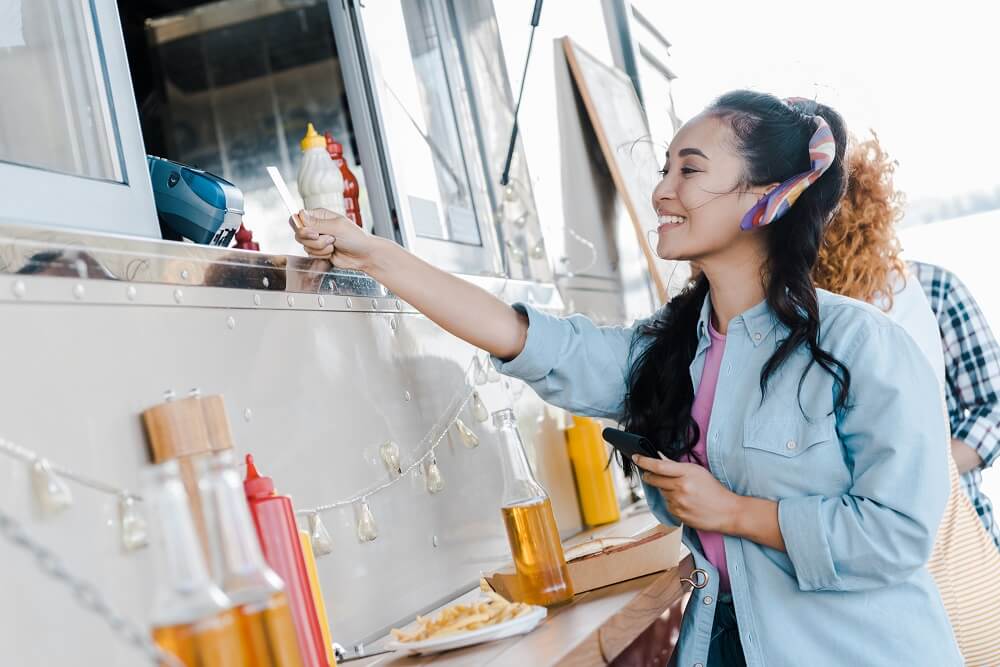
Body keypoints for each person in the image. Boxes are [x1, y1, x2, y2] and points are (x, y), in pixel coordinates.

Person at [293, 91, 961, 666]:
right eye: (665, 167)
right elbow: (524, 336)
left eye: (689, 170)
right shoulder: (670, 350)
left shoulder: (861, 345)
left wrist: (732, 512)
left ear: (767, 197)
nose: (662, 189)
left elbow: (899, 533)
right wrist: (376, 255)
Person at [815, 133, 1000, 663]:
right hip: (858, 558)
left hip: (957, 540)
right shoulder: (796, 316)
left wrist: (919, 469)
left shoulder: (933, 290)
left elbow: (992, 408)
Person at [912, 260, 1000, 551]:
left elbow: (995, 407)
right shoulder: (800, 301)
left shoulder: (935, 289)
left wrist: (914, 474)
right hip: (873, 553)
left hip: (963, 537)